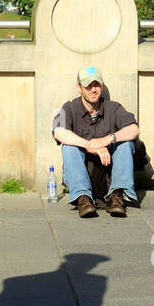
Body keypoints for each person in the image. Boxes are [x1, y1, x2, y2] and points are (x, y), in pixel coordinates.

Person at [51, 65, 140, 218]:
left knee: (126, 142)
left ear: (102, 86)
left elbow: (134, 129)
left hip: (109, 176)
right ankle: (83, 199)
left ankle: (116, 196)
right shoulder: (69, 108)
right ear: (79, 88)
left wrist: (106, 140)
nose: (93, 90)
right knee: (69, 147)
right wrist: (90, 145)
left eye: (96, 84)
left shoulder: (114, 108)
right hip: (83, 174)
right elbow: (59, 132)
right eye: (88, 85)